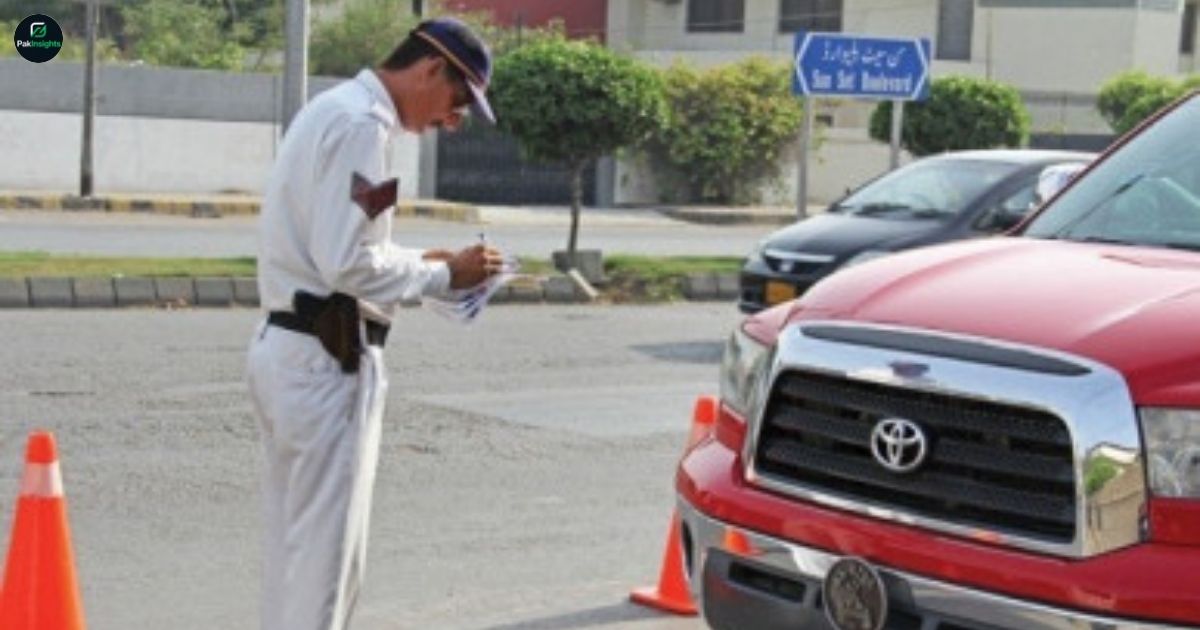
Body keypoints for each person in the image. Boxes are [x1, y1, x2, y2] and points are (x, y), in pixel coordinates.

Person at [245, 17, 503, 630]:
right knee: (325, 568)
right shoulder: (365, 127)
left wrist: (421, 261)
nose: (452, 119)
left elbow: (340, 247)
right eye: (458, 99)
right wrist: (444, 277)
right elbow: (349, 263)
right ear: (431, 68)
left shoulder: (333, 107)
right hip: (325, 361)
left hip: (290, 350)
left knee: (293, 554)